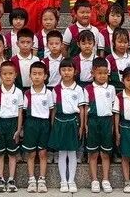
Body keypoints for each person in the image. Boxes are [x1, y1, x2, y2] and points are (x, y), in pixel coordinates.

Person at [49, 58, 87, 193]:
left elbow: (82, 109)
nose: (66, 72)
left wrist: (82, 126)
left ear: (75, 71)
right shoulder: (56, 89)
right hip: (59, 122)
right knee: (61, 153)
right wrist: (53, 125)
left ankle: (71, 180)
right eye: (63, 70)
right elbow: (54, 109)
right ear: (60, 71)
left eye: (69, 69)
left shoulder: (79, 89)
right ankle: (63, 181)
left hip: (73, 122)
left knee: (72, 152)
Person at [0, 61, 25, 193]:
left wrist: (19, 128)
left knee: (12, 153)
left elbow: (20, 112)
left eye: (10, 73)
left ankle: (11, 179)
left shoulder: (18, 92)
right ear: (0, 75)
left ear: (15, 75)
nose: (8, 76)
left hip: (13, 124)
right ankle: (0, 179)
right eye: (5, 74)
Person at [22, 61, 54, 193]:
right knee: (31, 153)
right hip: (30, 124)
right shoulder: (27, 93)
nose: (37, 76)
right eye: (34, 74)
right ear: (30, 76)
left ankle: (42, 180)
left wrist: (51, 125)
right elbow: (23, 111)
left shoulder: (48, 93)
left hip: (44, 124)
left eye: (40, 74)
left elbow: (51, 110)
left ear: (45, 76)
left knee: (42, 153)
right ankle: (31, 179)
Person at [87, 57, 116, 194]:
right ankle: (94, 180)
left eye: (105, 73)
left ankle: (105, 179)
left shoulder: (111, 88)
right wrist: (85, 125)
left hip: (106, 122)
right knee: (93, 153)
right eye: (99, 73)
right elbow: (85, 109)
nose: (102, 76)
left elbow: (113, 109)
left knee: (105, 153)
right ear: (93, 73)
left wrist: (112, 126)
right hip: (93, 121)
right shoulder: (88, 89)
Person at [106, 28, 130, 92]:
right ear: (113, 42)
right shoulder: (109, 59)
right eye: (120, 42)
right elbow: (106, 78)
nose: (122, 45)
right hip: (115, 91)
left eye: (125, 42)